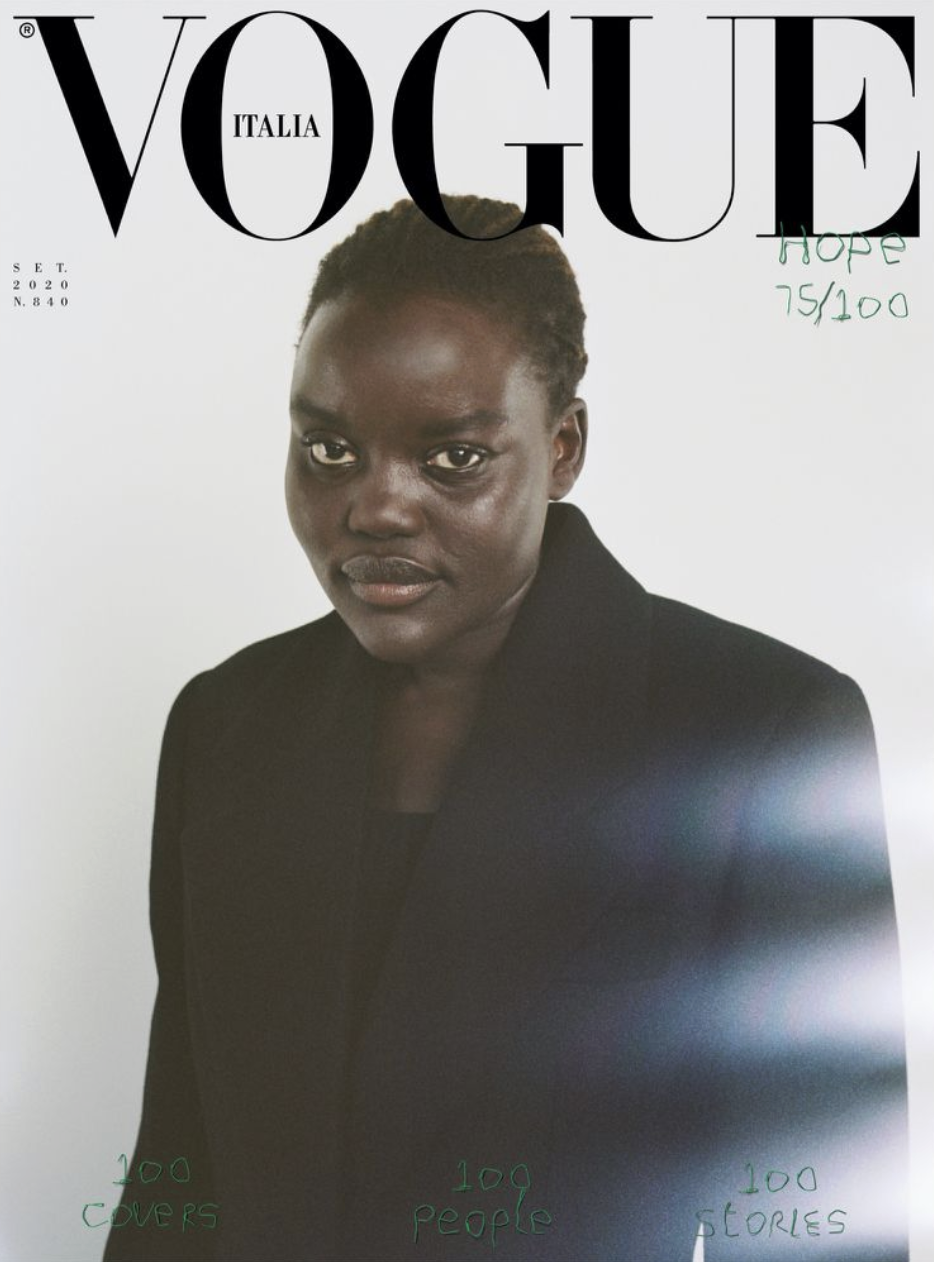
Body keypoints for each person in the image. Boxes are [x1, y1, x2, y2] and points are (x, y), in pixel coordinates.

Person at [104, 197, 907, 1262]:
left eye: (452, 457)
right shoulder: (226, 727)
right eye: (329, 447)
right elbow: (177, 1178)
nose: (377, 507)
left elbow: (814, 1227)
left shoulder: (761, 737)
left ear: (562, 447)